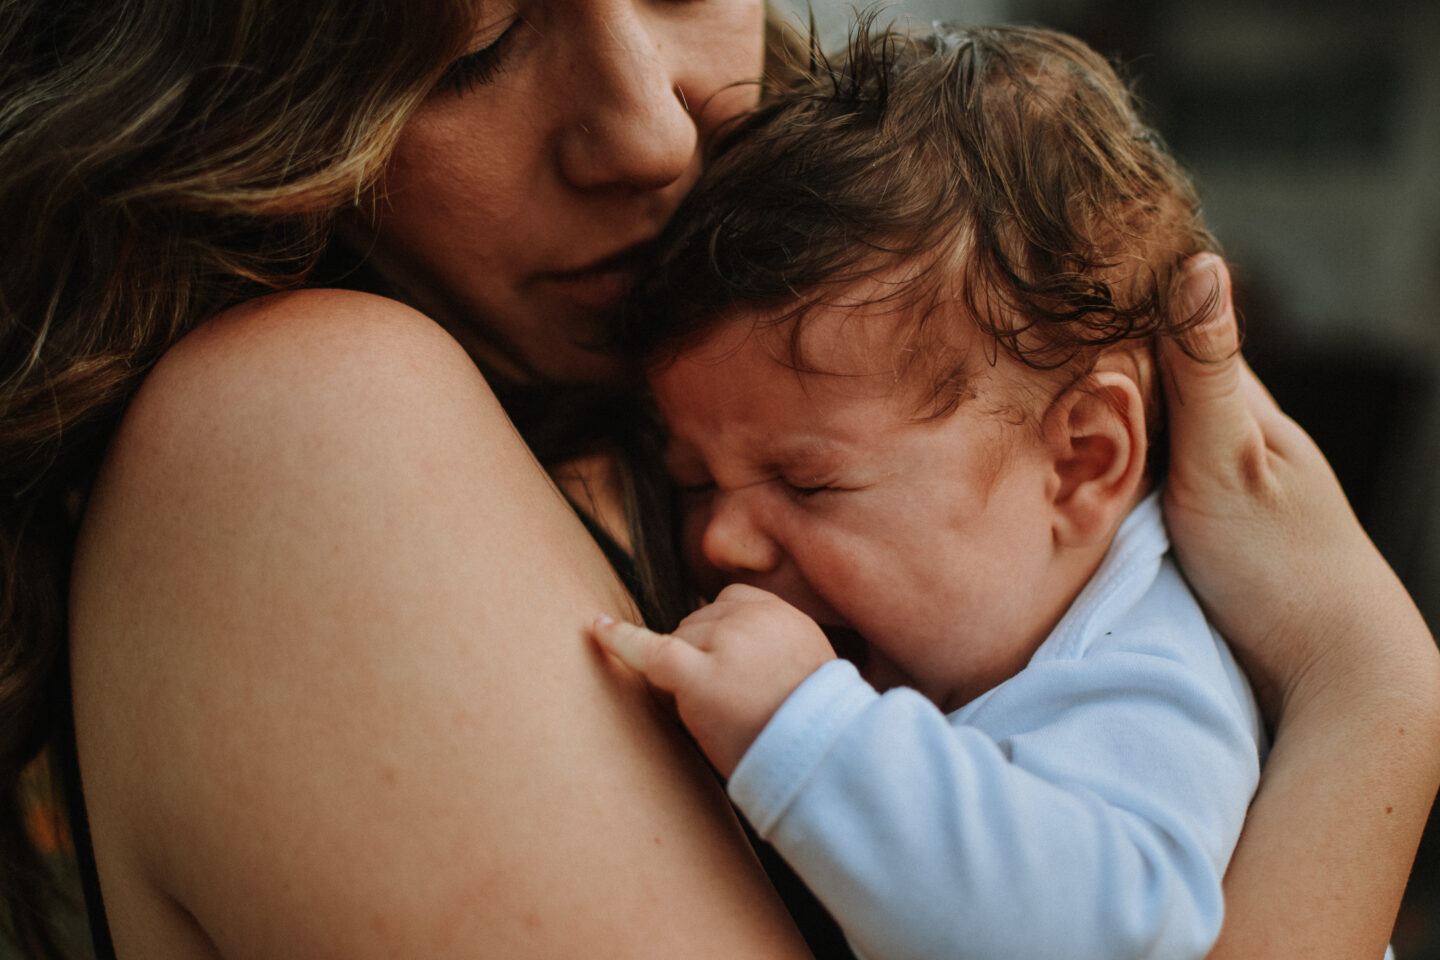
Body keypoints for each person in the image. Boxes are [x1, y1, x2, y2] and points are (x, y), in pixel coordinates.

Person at [0, 2, 1435, 959]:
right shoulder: (304, 435)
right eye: (473, 46)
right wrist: (1373, 692)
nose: (649, 131)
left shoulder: (750, 397)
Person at [595, 24, 1266, 959]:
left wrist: (810, 734)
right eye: (693, 481)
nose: (720, 543)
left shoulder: (1142, 676)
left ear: (1080, 462)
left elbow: (1110, 935)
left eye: (808, 480)